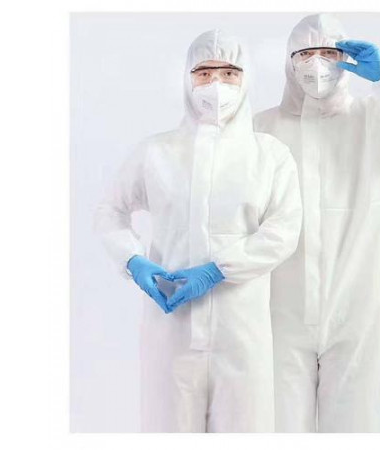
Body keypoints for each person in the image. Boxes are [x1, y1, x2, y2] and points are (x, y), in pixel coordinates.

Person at [253, 13, 380, 432]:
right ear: (289, 61)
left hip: (355, 311)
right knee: (276, 428)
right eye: (306, 53)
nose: (317, 64)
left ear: (345, 59)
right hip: (278, 312)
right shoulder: (261, 128)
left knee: (354, 430)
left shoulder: (375, 118)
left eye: (329, 53)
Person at [94, 29, 302, 433]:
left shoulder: (270, 156)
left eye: (229, 73)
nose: (216, 84)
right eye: (204, 73)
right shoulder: (155, 152)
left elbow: (284, 230)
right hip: (171, 331)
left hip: (241, 333)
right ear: (187, 79)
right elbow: (109, 210)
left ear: (246, 80)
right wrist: (133, 260)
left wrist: (217, 269)